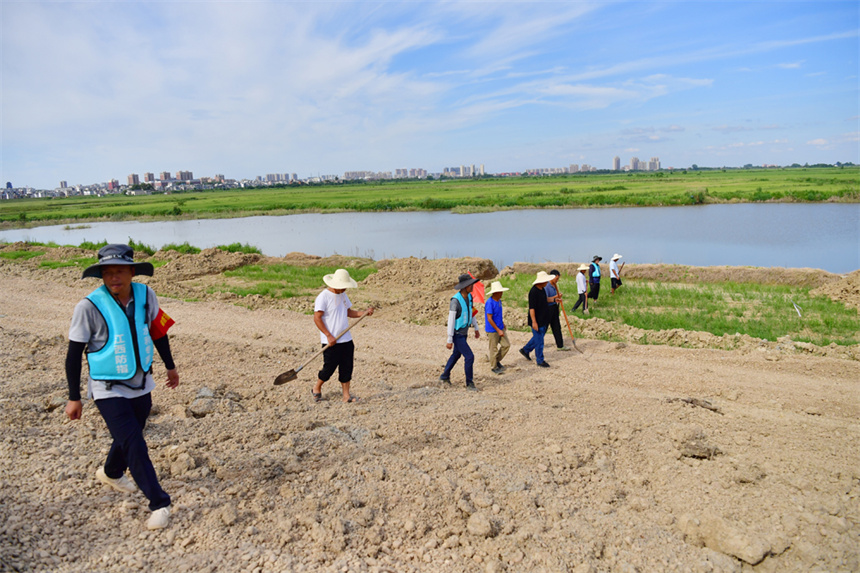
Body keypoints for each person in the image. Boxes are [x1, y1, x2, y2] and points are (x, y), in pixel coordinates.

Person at [65, 244, 179, 531]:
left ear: (132, 272)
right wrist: (74, 397)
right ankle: (159, 503)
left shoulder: (146, 295)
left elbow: (158, 332)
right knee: (134, 443)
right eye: (107, 272)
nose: (113, 277)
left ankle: (112, 471)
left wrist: (170, 365)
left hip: (141, 382)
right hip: (107, 387)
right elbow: (73, 354)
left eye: (119, 271)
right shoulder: (88, 307)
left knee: (131, 434)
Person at [313, 268, 374, 403]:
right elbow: (317, 318)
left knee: (347, 367)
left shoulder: (343, 295)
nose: (345, 288)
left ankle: (346, 396)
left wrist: (364, 313)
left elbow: (349, 312)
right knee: (329, 368)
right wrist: (328, 335)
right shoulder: (323, 297)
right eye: (343, 286)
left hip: (346, 339)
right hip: (331, 341)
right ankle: (316, 387)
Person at [440, 273, 481, 390]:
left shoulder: (469, 297)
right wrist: (449, 339)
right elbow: (451, 320)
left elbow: (471, 312)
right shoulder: (455, 301)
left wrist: (476, 328)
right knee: (469, 356)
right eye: (470, 285)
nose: (472, 286)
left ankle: (444, 375)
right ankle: (469, 383)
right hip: (457, 334)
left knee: (456, 354)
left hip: (464, 333)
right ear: (464, 286)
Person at [519, 271, 553, 368]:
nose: (547, 282)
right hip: (537, 320)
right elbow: (532, 308)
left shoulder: (542, 289)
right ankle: (540, 360)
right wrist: (534, 321)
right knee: (540, 342)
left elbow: (545, 300)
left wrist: (554, 299)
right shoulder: (533, 292)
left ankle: (525, 350)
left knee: (538, 338)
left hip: (543, 318)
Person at [484, 281, 511, 374]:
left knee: (506, 345)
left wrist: (502, 323)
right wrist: (498, 330)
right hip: (492, 330)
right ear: (495, 292)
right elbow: (489, 318)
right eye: (500, 291)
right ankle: (494, 366)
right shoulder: (489, 303)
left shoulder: (499, 301)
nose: (502, 293)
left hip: (500, 327)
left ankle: (496, 360)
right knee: (493, 348)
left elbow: (498, 315)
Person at [545, 270, 568, 351]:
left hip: (554, 308)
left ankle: (560, 345)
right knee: (544, 329)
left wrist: (557, 303)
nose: (557, 280)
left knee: (557, 327)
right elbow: (546, 299)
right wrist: (556, 297)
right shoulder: (546, 286)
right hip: (548, 309)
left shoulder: (554, 286)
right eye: (556, 278)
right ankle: (531, 346)